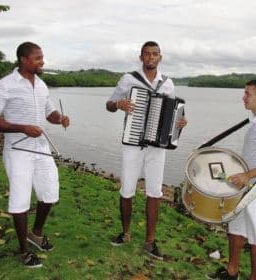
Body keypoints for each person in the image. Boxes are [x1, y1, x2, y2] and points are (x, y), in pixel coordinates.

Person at [0, 42, 69, 268]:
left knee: (50, 194)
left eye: (42, 57)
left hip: (41, 148)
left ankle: (36, 234)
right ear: (23, 59)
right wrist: (22, 127)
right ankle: (24, 250)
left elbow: (50, 112)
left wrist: (61, 118)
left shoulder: (41, 85)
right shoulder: (5, 86)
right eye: (38, 58)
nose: (43, 61)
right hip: (18, 151)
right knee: (20, 199)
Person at [106, 41, 187, 260]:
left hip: (157, 148)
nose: (151, 57)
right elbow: (109, 104)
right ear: (141, 57)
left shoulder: (168, 84)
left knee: (155, 192)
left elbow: (173, 114)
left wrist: (180, 122)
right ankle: (125, 233)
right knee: (127, 190)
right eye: (147, 54)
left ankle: (150, 242)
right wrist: (119, 105)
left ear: (160, 57)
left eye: (155, 54)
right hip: (132, 144)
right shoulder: (128, 79)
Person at [207, 79, 256, 280]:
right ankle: (232, 272)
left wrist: (247, 175)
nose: (243, 97)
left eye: (247, 94)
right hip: (246, 186)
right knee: (236, 228)